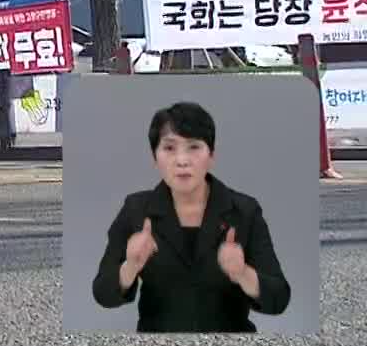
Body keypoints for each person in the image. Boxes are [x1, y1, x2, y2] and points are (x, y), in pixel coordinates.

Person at [90, 100, 291, 332]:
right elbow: (102, 293)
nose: (182, 160)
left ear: (211, 155)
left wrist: (243, 274)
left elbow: (279, 298)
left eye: (194, 147)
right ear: (155, 157)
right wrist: (131, 266)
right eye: (169, 148)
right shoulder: (136, 210)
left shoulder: (244, 211)